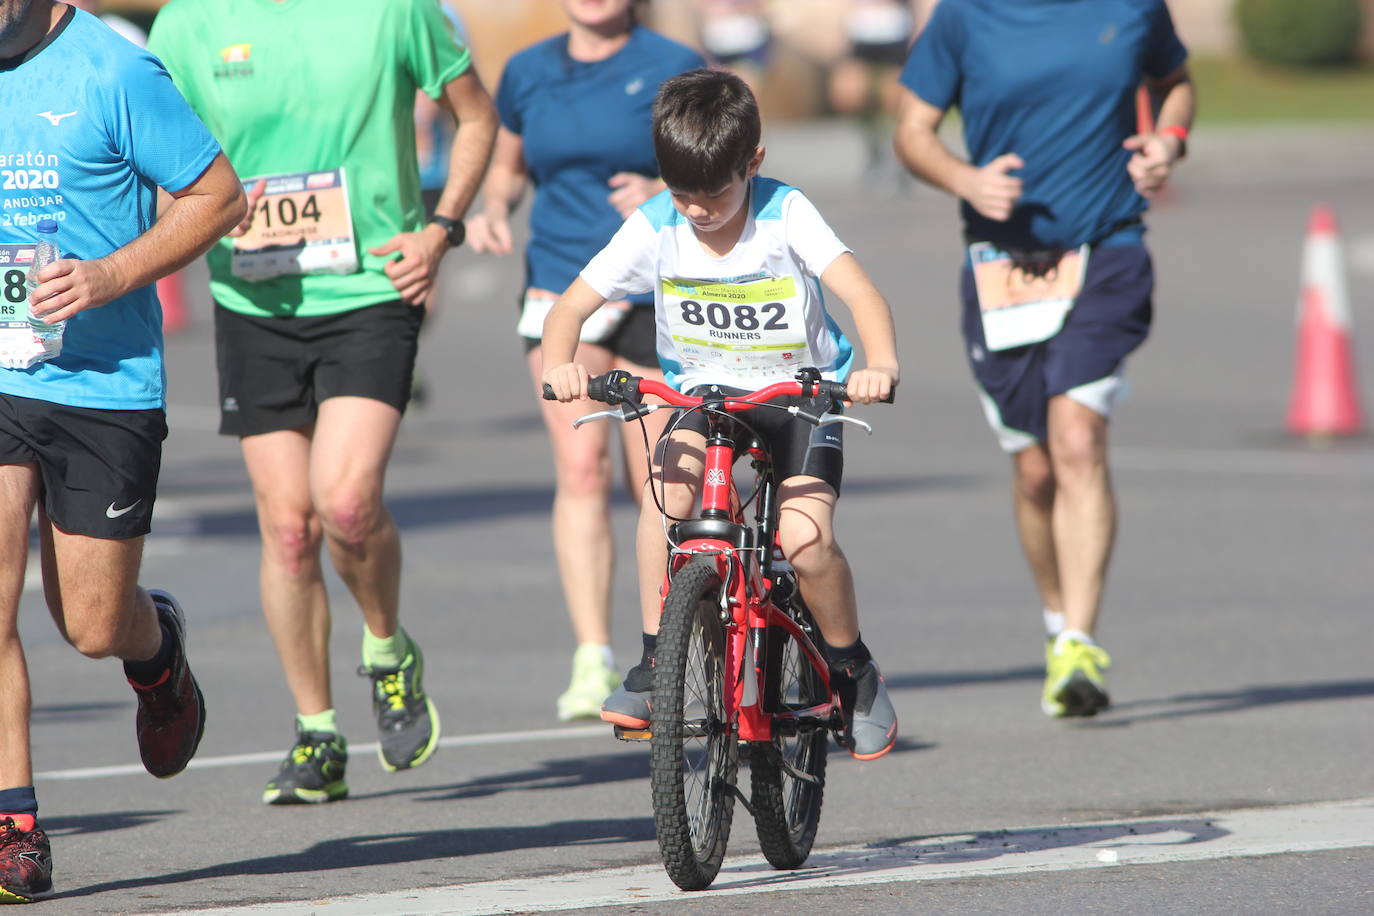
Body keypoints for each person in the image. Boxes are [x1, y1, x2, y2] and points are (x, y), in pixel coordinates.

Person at [148, 0, 498, 804]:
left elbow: (475, 117)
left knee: (344, 503)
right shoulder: (190, 22)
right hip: (253, 300)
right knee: (288, 527)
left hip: (372, 285)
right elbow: (150, 152)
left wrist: (442, 229)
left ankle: (387, 648)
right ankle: (317, 732)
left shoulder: (395, 9)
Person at [543, 68, 901, 760]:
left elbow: (864, 296)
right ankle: (655, 658)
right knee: (665, 497)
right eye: (683, 196)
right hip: (706, 396)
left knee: (803, 536)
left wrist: (878, 366)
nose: (699, 211)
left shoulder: (785, 212)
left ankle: (852, 667)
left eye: (716, 194)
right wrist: (564, 364)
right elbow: (570, 308)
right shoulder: (655, 224)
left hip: (799, 396)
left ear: (753, 163)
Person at [0, 0, 245, 902]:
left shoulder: (117, 70)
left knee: (91, 625)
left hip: (101, 387)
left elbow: (220, 196)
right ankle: (13, 823)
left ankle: (156, 652)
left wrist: (107, 275)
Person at [893, 1, 1194, 717]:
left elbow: (1176, 79)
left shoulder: (1131, 7)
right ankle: (1058, 622)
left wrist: (1169, 139)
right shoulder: (965, 16)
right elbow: (912, 131)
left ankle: (1081, 642)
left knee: (1078, 436)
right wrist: (964, 180)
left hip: (1108, 245)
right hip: (1004, 265)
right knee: (1034, 471)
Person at [466, 0, 704, 722]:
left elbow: (720, 160)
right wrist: (492, 208)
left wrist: (665, 189)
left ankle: (675, 642)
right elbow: (508, 166)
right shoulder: (529, 71)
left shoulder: (669, 66)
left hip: (658, 290)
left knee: (662, 484)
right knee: (579, 468)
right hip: (564, 286)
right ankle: (591, 651)